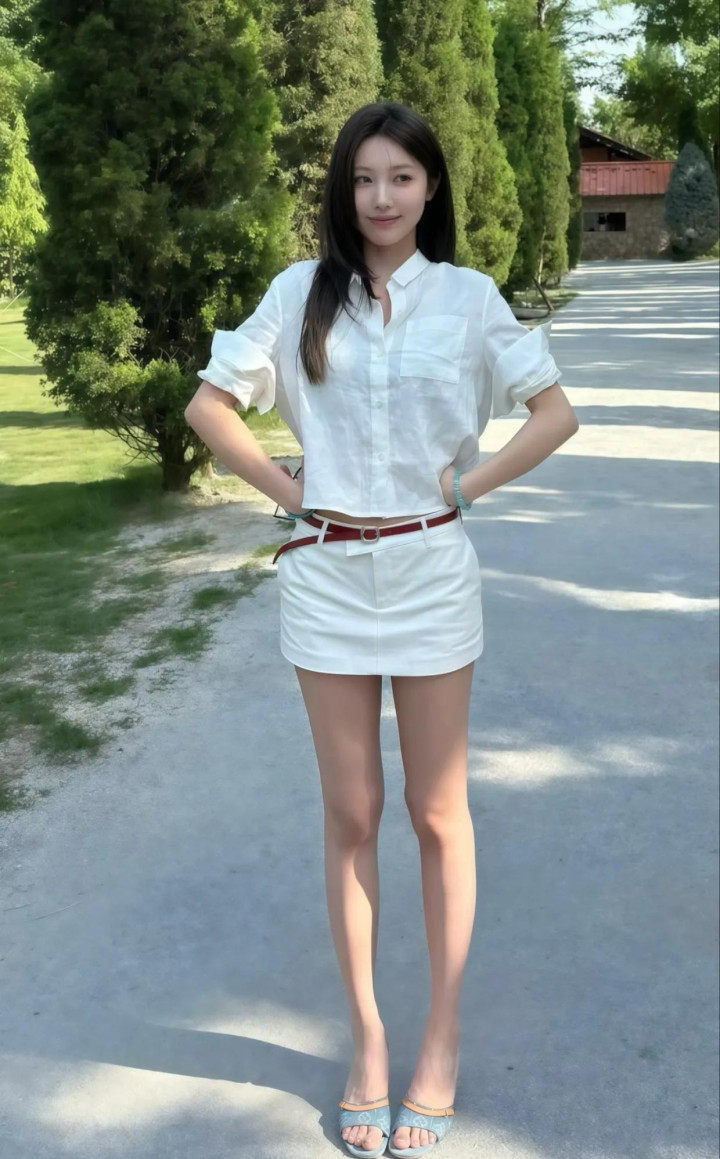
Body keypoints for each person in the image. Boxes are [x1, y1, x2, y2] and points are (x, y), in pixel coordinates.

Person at [184, 101, 579, 1157]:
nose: (381, 197)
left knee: (438, 812)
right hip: (326, 576)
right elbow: (210, 405)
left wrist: (467, 485)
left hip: (430, 571)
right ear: (343, 188)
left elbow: (555, 411)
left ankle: (440, 1037)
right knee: (352, 811)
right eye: (363, 178)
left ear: (431, 186)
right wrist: (289, 491)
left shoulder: (468, 298)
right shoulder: (299, 293)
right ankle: (368, 1037)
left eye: (401, 176)